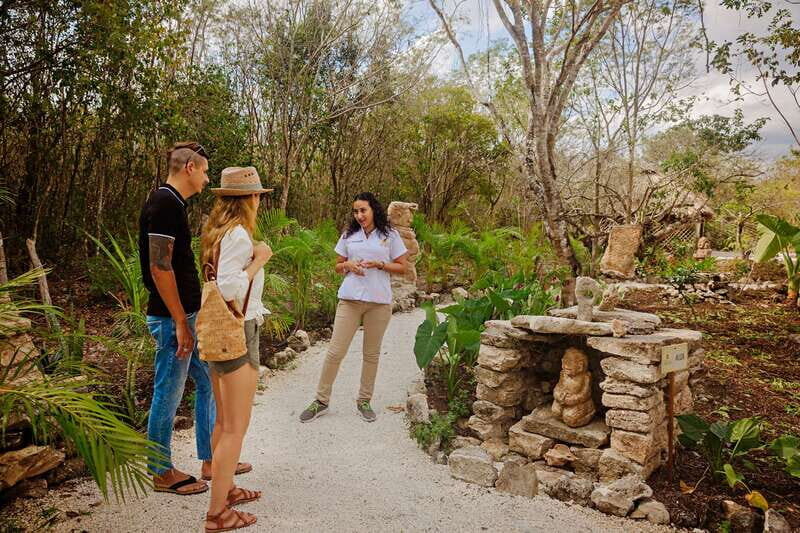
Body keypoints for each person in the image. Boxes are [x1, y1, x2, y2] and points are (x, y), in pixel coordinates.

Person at [139, 141, 217, 496]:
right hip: (174, 320)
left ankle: (211, 458)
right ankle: (160, 471)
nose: (206, 178)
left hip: (185, 315)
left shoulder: (173, 204)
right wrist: (181, 322)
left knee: (208, 379)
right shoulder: (165, 203)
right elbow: (159, 266)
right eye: (203, 170)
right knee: (167, 394)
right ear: (189, 168)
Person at [201, 166, 273, 532]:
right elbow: (229, 287)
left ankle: (225, 488)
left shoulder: (218, 233)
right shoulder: (241, 237)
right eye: (258, 195)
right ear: (251, 199)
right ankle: (217, 515)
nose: (260, 201)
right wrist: (260, 258)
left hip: (219, 331)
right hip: (238, 331)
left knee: (223, 422)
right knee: (235, 428)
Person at [300, 192, 408, 424]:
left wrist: (380, 264)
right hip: (349, 301)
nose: (359, 215)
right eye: (355, 211)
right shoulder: (349, 235)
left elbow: (402, 267)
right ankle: (321, 401)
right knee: (335, 352)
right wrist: (348, 265)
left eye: (363, 210)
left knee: (371, 354)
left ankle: (364, 401)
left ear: (373, 210)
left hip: (378, 303)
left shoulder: (390, 235)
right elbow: (337, 265)